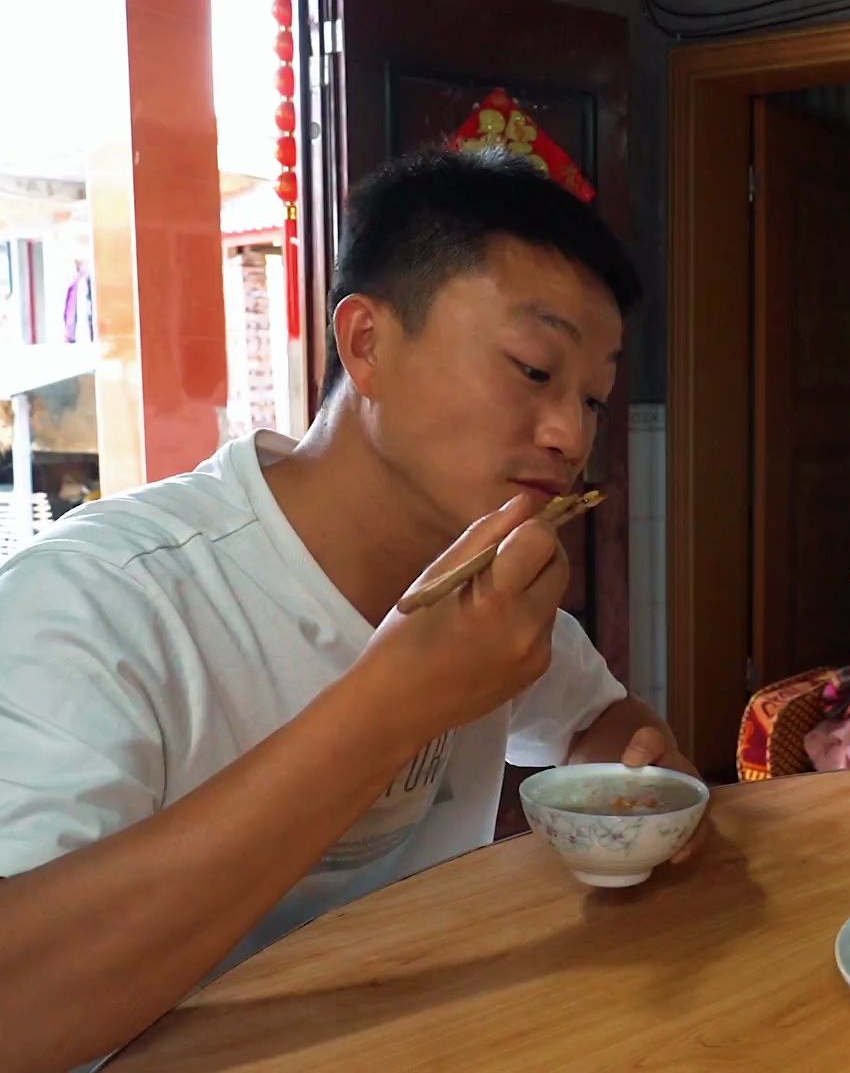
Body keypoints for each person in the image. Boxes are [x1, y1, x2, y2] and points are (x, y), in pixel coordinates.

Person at [0, 148, 697, 1071]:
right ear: (366, 343)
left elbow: (606, 724)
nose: (571, 433)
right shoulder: (105, 600)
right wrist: (399, 698)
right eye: (534, 370)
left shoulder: (485, 592)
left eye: (595, 397)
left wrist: (629, 780)